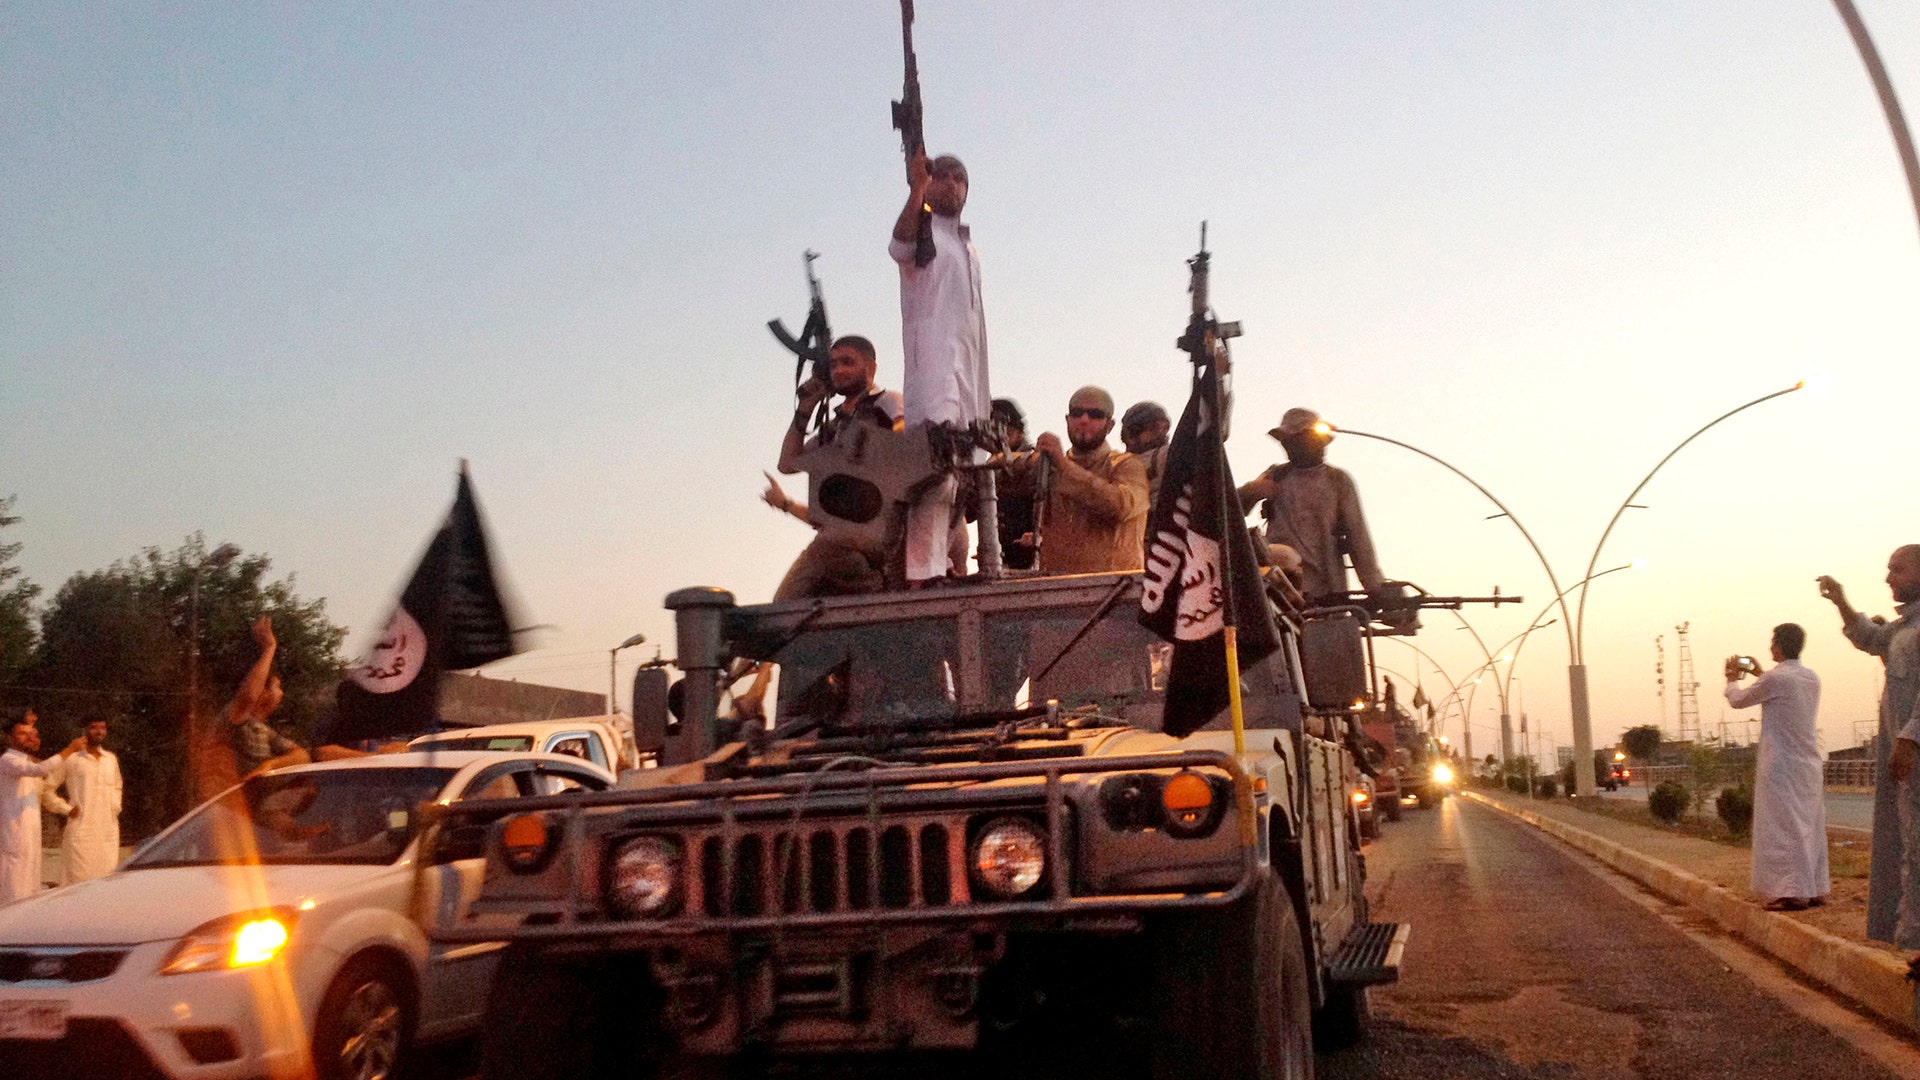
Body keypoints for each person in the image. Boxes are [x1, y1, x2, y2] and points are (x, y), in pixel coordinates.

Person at [891, 150, 990, 586]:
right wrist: (915, 190)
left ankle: (948, 565)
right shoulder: (923, 231)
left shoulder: (966, 244)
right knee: (935, 471)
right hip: (934, 369)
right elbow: (899, 243)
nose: (951, 182)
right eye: (942, 175)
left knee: (964, 476)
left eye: (960, 177)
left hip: (970, 372)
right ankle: (923, 572)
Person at [1820, 545, 1920, 946]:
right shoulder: (1903, 628)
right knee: (1907, 845)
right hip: (1904, 762)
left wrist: (1910, 736)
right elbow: (1869, 638)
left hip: (1911, 751)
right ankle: (1909, 935)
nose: (1888, 578)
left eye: (1898, 569)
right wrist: (1841, 601)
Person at [765, 335, 904, 600]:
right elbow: (787, 464)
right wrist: (806, 407)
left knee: (784, 604)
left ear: (870, 368)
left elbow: (903, 439)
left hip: (880, 533)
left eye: (848, 362)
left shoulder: (885, 402)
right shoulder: (834, 428)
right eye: (833, 365)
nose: (839, 370)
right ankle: (872, 583)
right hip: (844, 542)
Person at [1236, 408, 1389, 606]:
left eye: (1300, 438)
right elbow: (1228, 509)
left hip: (1326, 592)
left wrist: (1374, 587)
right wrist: (1253, 491)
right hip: (1280, 591)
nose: (1290, 445)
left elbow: (1358, 536)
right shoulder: (1275, 475)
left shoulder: (1338, 481)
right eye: (1288, 440)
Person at [1723, 624, 1828, 911]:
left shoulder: (1775, 679)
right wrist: (1761, 673)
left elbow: (1738, 700)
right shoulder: (1810, 678)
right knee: (1810, 826)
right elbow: (1779, 690)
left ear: (1778, 647)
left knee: (1783, 828)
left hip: (1781, 764)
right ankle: (1814, 887)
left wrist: (1732, 679)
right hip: (1808, 763)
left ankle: (1792, 891)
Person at [1004, 387, 1149, 574]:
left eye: (1095, 414)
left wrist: (1064, 467)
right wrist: (1030, 461)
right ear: (1067, 419)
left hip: (1114, 592)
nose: (1084, 420)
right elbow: (995, 470)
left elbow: (1120, 506)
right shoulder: (1052, 466)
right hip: (1057, 591)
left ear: (1110, 425)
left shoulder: (1127, 465)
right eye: (1077, 413)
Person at [0, 711, 80, 903]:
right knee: (13, 891)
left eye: (32, 734)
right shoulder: (8, 761)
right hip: (14, 837)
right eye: (22, 733)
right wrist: (70, 749)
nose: (28, 738)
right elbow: (40, 769)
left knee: (30, 892)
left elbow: (44, 789)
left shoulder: (27, 763)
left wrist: (68, 810)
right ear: (10, 738)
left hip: (31, 837)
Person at [55, 717, 123, 884]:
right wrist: (66, 809)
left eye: (103, 727)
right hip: (81, 832)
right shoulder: (72, 759)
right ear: (84, 730)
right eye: (94, 727)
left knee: (107, 885)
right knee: (79, 886)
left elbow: (117, 786)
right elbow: (48, 788)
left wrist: (115, 806)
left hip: (108, 832)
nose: (99, 732)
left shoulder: (110, 759)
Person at [989, 398, 1037, 571]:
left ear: (1019, 433)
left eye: (1005, 433)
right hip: (1001, 558)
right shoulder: (988, 468)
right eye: (993, 433)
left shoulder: (1032, 465)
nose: (998, 440)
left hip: (1032, 559)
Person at [1120, 401, 1171, 503]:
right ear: (1131, 436)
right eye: (1153, 428)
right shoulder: (1120, 467)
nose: (1162, 431)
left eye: (1166, 427)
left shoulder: (1165, 454)